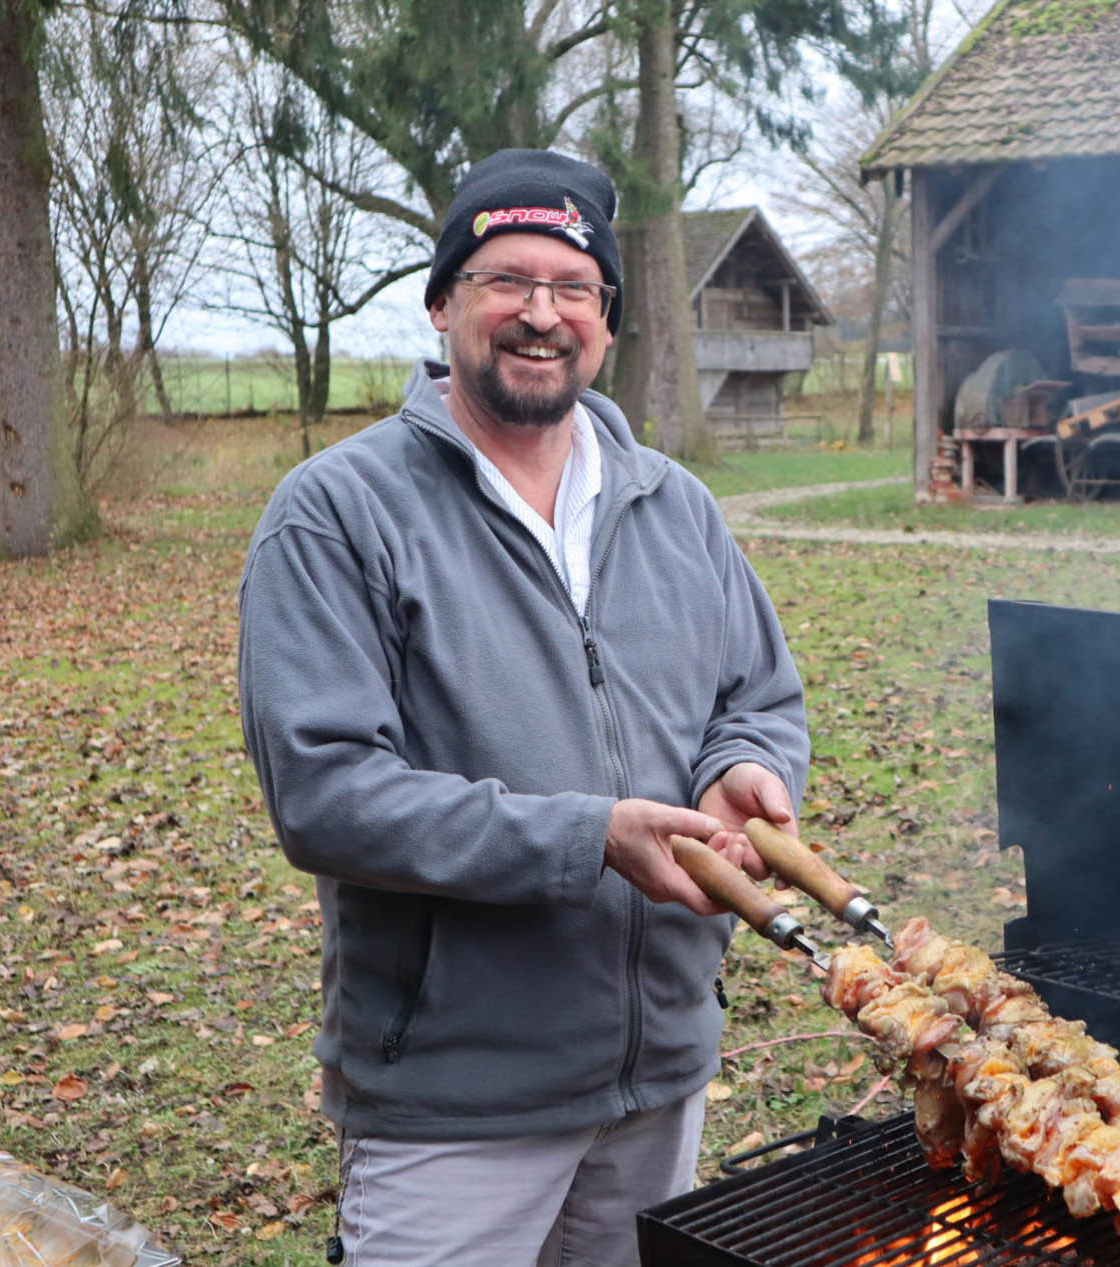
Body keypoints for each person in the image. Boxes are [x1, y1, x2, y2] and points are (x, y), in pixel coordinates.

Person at [236, 148, 809, 1266]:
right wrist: (588, 839)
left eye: (572, 287)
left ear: (605, 318)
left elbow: (758, 693)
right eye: (506, 280)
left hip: (658, 1076)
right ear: (444, 299)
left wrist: (736, 766)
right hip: (453, 1101)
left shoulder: (674, 505)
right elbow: (325, 794)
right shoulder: (337, 513)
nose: (539, 314)